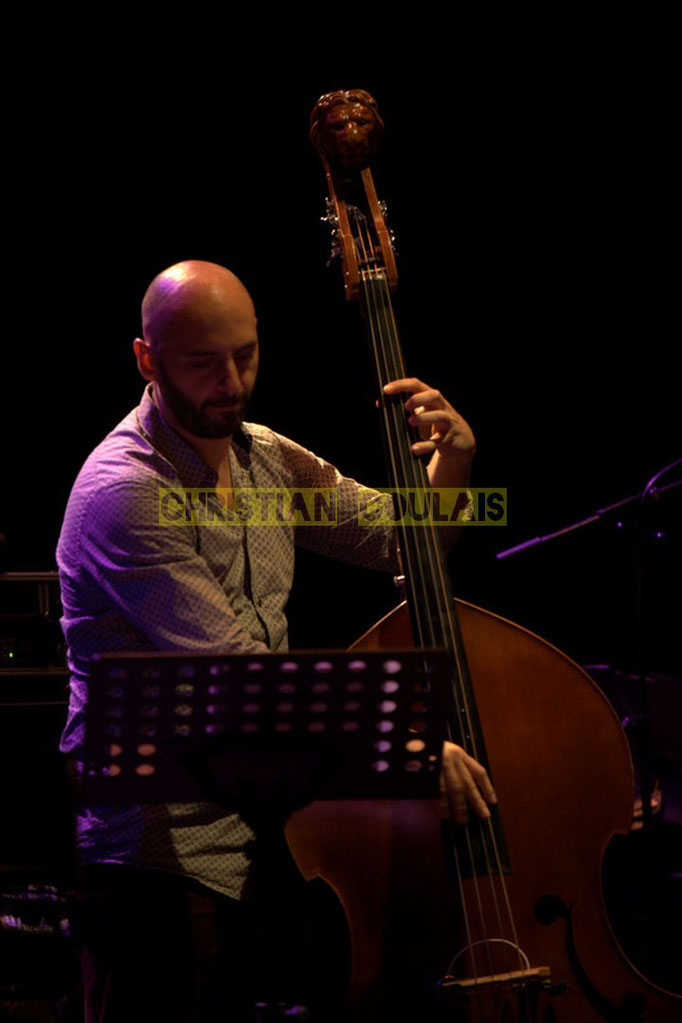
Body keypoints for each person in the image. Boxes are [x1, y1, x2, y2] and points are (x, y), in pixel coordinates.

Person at [57, 259, 496, 1021]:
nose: (230, 381)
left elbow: (401, 537)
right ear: (147, 359)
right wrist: (409, 742)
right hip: (161, 855)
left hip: (268, 823)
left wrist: (456, 460)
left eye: (246, 355)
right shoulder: (128, 492)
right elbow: (237, 674)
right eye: (203, 362)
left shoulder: (264, 459)